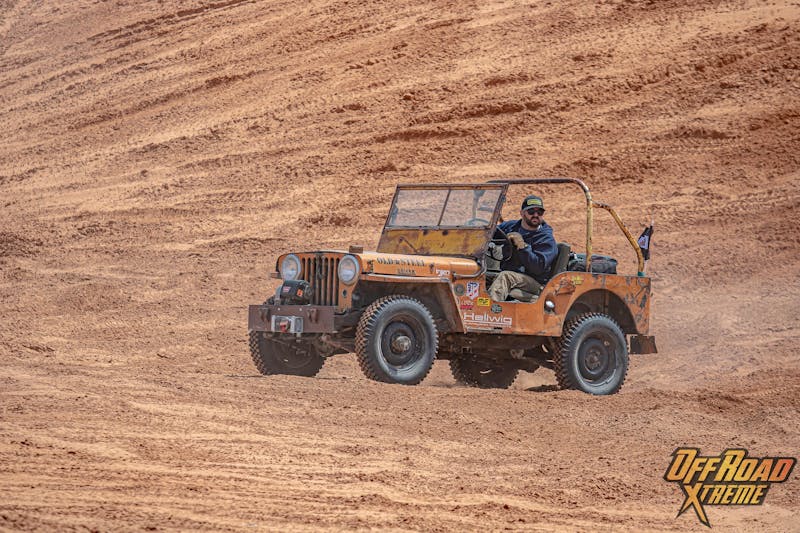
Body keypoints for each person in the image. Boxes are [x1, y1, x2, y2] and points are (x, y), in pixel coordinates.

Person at [488, 194, 558, 302]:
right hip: (512, 272)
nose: (535, 215)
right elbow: (491, 233)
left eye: (539, 212)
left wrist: (523, 247)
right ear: (522, 213)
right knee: (480, 273)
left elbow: (538, 267)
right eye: (531, 212)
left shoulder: (546, 238)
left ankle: (490, 313)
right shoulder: (511, 226)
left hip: (535, 282)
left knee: (506, 277)